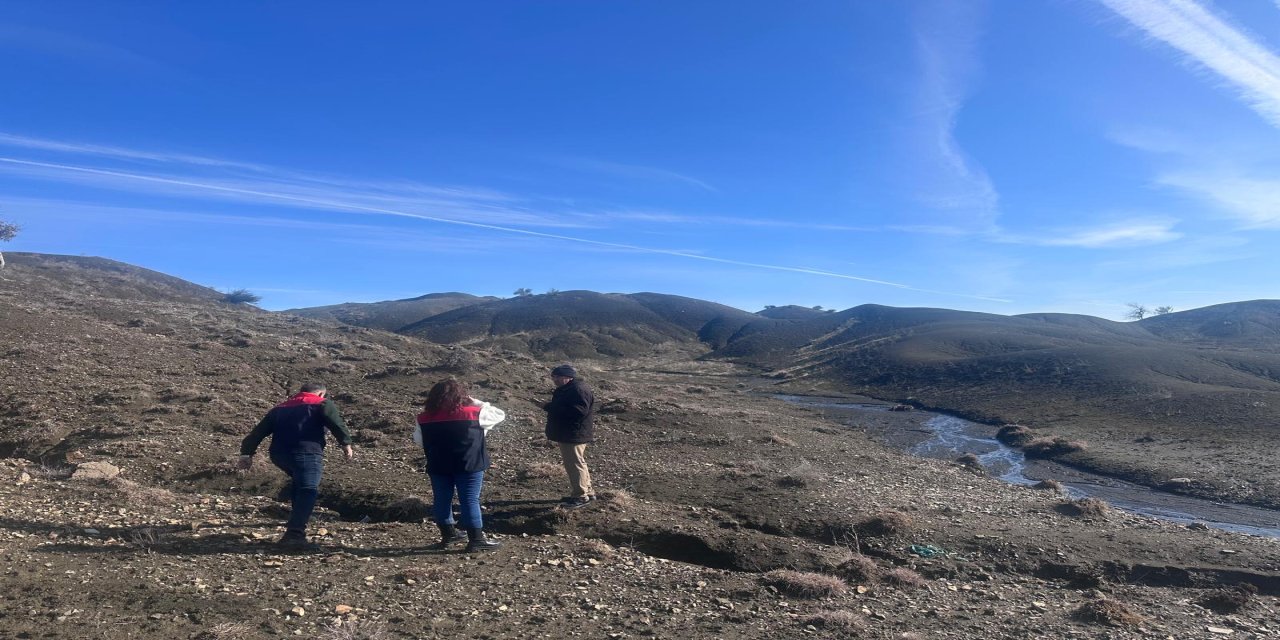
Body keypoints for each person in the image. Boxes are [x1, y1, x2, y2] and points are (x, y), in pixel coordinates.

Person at [239, 383, 354, 547]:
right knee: (308, 489)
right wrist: (346, 444)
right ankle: (294, 534)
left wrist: (246, 453)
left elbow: (258, 432)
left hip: (279, 455)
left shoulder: (280, 407)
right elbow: (336, 423)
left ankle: (297, 519)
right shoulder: (321, 403)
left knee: (299, 483)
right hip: (307, 452)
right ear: (321, 393)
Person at [417, 378, 503, 552]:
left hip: (438, 463)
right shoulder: (474, 412)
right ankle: (476, 540)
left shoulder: (423, 418)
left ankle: (448, 535)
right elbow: (500, 414)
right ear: (461, 395)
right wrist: (476, 401)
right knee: (469, 499)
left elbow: (418, 440)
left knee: (441, 499)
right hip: (469, 463)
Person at [542, 364, 596, 508]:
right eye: (553, 377)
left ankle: (580, 496)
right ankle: (587, 492)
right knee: (578, 462)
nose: (554, 379)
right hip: (570, 432)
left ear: (567, 377)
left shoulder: (577, 389)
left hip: (573, 433)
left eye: (557, 377)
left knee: (574, 464)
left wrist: (551, 408)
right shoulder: (569, 388)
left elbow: (579, 412)